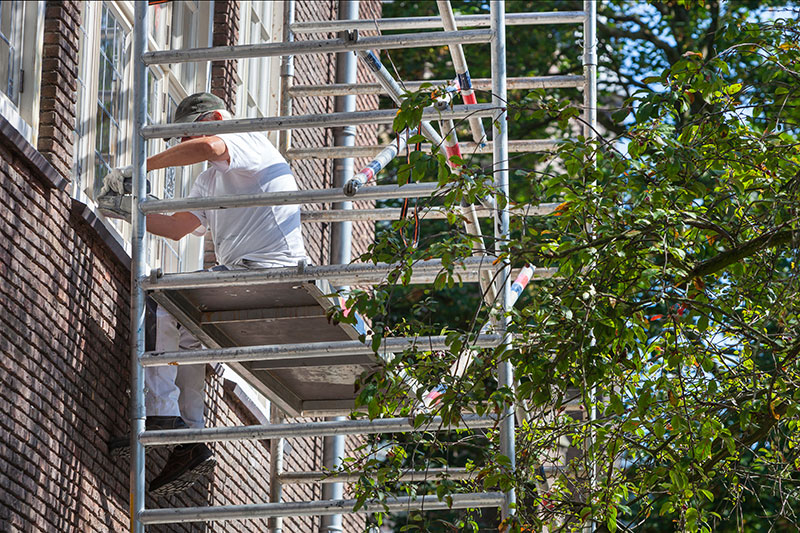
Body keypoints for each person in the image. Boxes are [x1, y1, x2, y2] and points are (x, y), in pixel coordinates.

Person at [99, 92, 308, 496]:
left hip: (268, 271)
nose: (182, 147)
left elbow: (210, 145)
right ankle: (188, 440)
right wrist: (129, 208)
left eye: (184, 137)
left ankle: (161, 415)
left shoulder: (241, 136)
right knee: (190, 338)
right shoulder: (210, 178)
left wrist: (140, 166)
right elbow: (178, 227)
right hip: (243, 277)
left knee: (161, 301)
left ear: (214, 118)